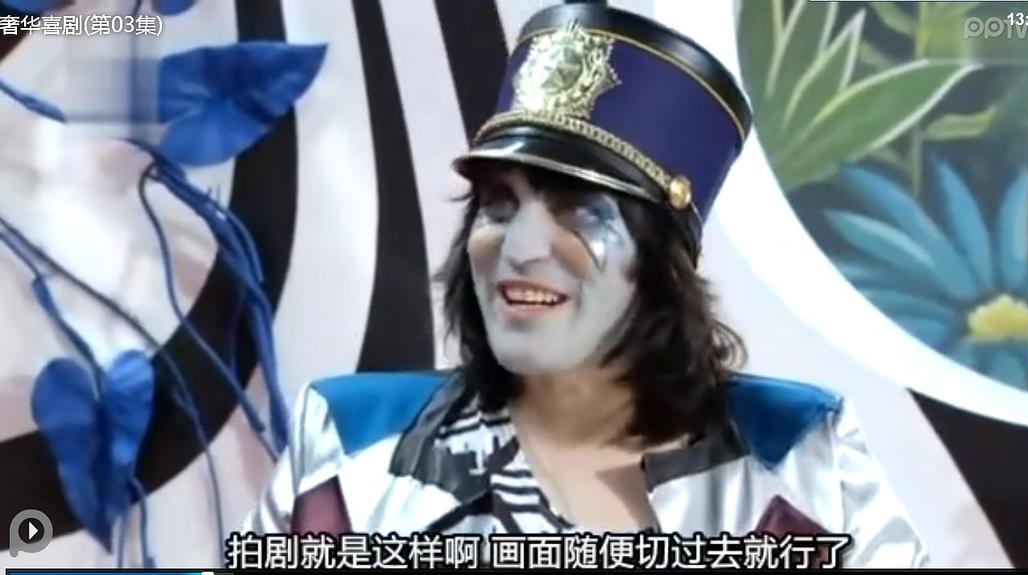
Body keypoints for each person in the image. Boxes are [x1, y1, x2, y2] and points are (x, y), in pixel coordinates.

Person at [243, 3, 928, 567]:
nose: (519, 249)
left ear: (659, 263)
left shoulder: (802, 455)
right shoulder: (347, 448)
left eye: (578, 213)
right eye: (500, 205)